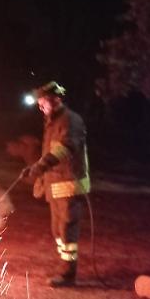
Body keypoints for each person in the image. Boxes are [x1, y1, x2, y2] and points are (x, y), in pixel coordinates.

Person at [22, 81, 90, 287]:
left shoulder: (71, 120)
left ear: (56, 100)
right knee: (57, 230)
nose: (40, 106)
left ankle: (68, 274)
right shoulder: (53, 121)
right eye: (39, 102)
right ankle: (64, 267)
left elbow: (64, 148)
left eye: (43, 102)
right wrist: (38, 172)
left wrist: (40, 167)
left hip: (70, 184)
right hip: (56, 184)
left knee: (67, 228)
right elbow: (49, 152)